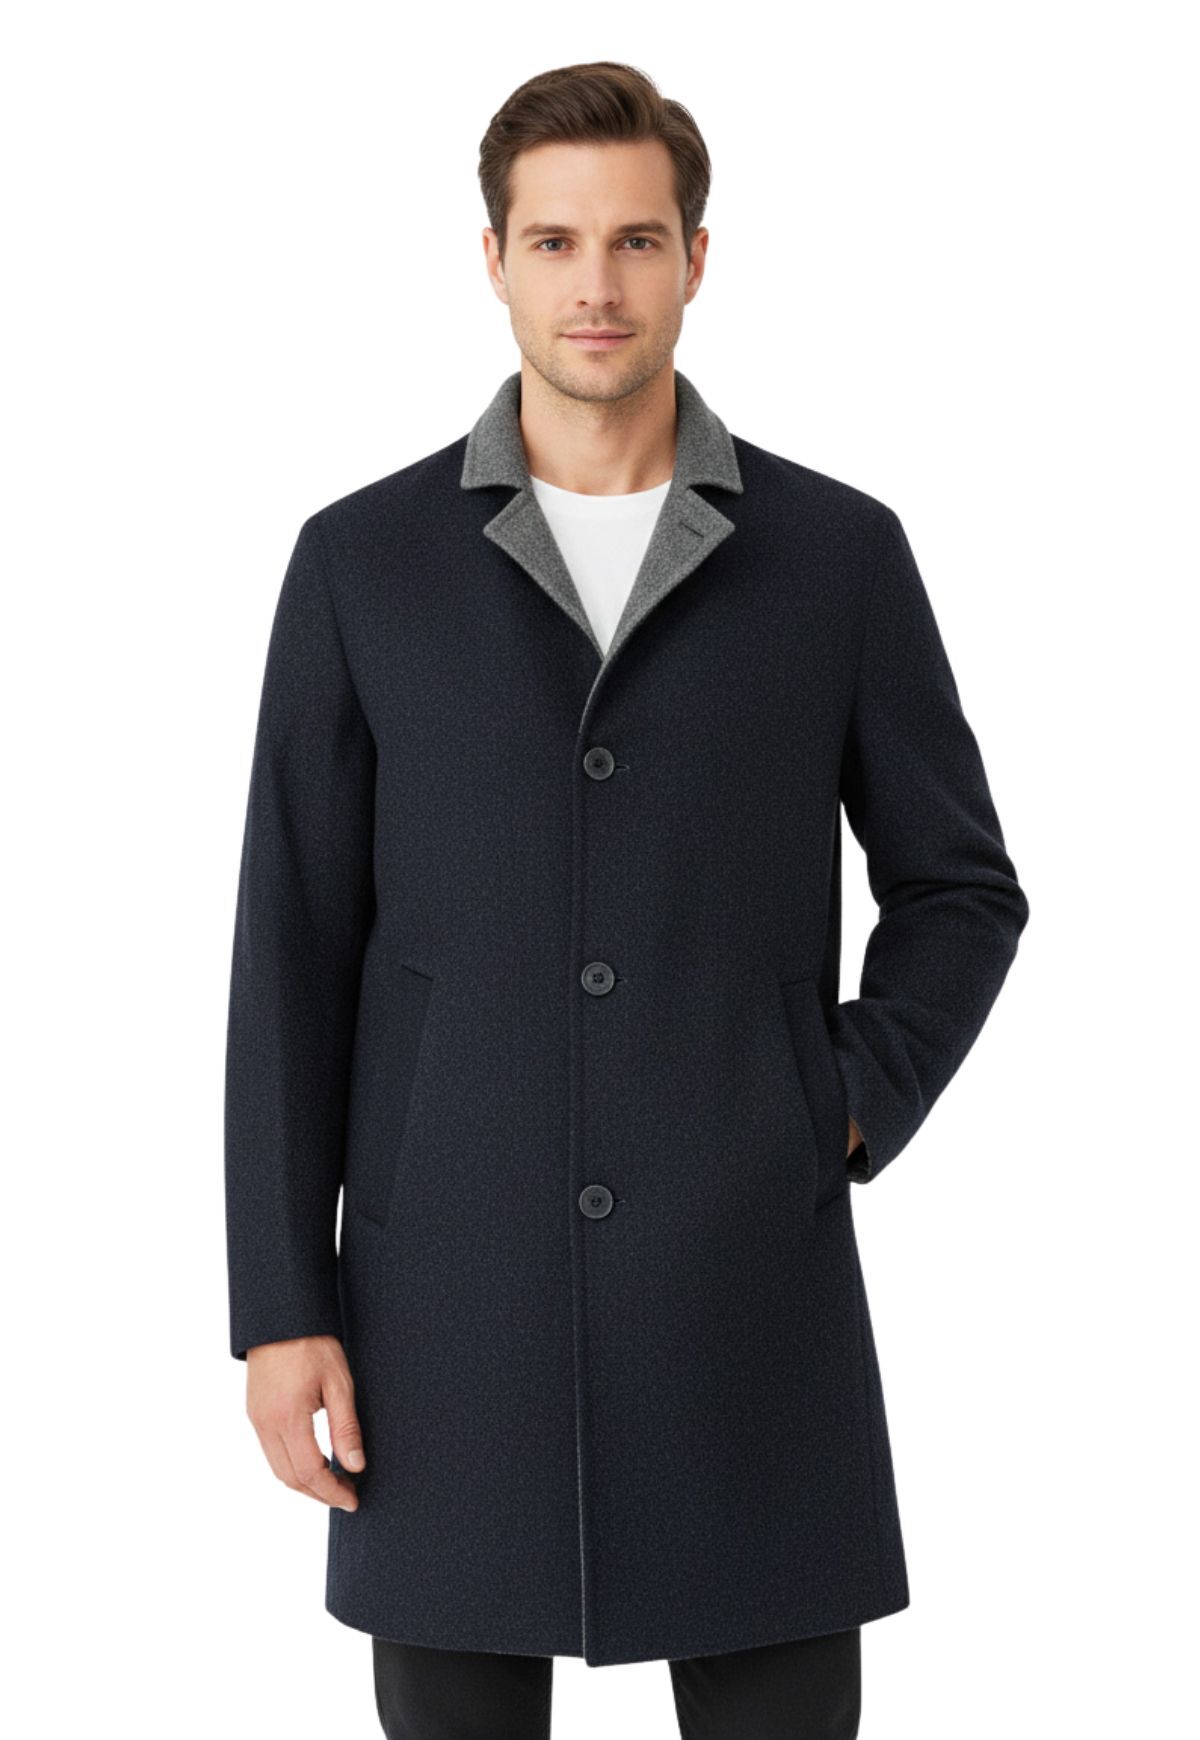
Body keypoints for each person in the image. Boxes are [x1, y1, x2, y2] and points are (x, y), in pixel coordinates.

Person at [225, 60, 1030, 1740]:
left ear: (696, 259)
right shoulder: (363, 565)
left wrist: (838, 1101)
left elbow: (959, 885)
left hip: (743, 1287)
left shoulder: (836, 556)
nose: (596, 284)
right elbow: (292, 951)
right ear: (494, 260)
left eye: (637, 240)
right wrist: (282, 1308)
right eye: (555, 241)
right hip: (450, 1304)